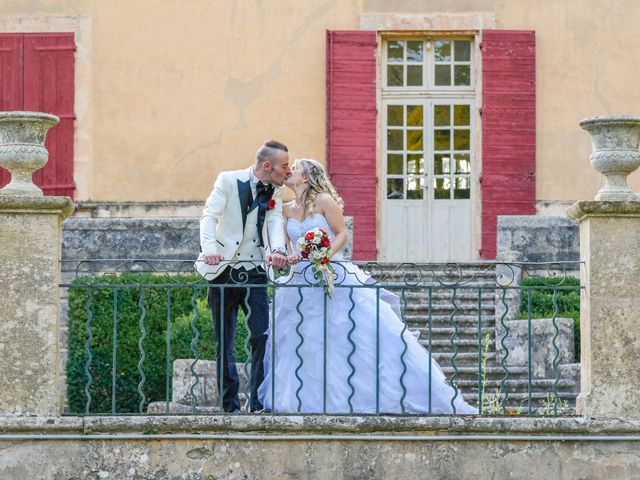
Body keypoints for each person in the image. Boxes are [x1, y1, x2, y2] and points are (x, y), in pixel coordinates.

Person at [258, 159, 477, 414]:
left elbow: (341, 233)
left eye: (294, 168)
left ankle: (367, 397)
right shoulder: (285, 209)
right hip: (300, 281)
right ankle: (309, 401)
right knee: (306, 341)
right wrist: (292, 256)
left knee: (347, 336)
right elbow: (288, 245)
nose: (288, 171)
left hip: (332, 274)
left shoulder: (324, 201)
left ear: (306, 177)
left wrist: (324, 254)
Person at [197, 140, 290, 412]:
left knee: (261, 335)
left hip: (255, 272)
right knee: (223, 341)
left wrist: (278, 250)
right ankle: (230, 405)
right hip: (223, 271)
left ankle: (258, 403)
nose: (287, 170)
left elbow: (274, 221)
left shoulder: (277, 190)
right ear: (267, 165)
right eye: (284, 166)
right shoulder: (227, 180)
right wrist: (210, 250)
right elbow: (208, 216)